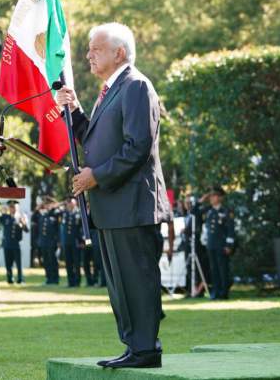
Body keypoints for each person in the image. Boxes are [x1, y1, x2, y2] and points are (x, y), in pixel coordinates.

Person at [56, 22, 171, 369]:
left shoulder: (135, 86)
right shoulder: (112, 89)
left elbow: (137, 147)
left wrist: (96, 176)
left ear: (119, 52)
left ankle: (146, 348)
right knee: (121, 284)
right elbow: (94, 141)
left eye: (96, 48)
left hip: (132, 205)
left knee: (137, 279)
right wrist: (74, 111)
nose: (88, 54)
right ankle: (135, 345)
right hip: (112, 206)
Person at [196, 187, 236, 300]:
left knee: (223, 269)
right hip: (211, 245)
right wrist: (201, 200)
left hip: (222, 245)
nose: (211, 198)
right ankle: (216, 292)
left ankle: (224, 293)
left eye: (214, 196)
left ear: (220, 198)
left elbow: (230, 230)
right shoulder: (209, 210)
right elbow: (194, 212)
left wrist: (229, 245)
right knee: (214, 270)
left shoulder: (226, 211)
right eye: (211, 196)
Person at [0, 200, 28, 284]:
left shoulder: (20, 217)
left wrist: (23, 223)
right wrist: (1, 209)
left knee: (19, 264)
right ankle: (9, 279)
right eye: (11, 207)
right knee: (8, 264)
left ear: (17, 208)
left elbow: (26, 230)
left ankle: (20, 279)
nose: (12, 209)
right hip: (7, 244)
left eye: (14, 207)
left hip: (16, 244)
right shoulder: (5, 217)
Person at [37, 197, 61, 285]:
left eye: (49, 204)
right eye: (46, 204)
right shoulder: (43, 214)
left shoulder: (56, 214)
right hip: (43, 242)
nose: (47, 206)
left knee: (53, 260)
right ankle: (48, 278)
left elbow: (58, 229)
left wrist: (59, 241)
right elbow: (34, 218)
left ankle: (55, 279)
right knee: (46, 260)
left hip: (52, 242)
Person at [60, 198, 83, 288]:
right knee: (68, 262)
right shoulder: (65, 213)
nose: (69, 204)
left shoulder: (79, 213)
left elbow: (82, 229)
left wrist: (82, 241)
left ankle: (77, 282)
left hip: (76, 242)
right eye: (68, 203)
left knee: (76, 263)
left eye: (71, 203)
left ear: (75, 203)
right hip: (67, 241)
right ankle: (70, 282)